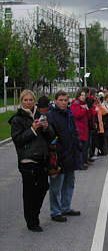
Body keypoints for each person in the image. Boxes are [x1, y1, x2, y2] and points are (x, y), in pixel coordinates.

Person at [9, 90, 55, 232]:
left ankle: (34, 214)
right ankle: (32, 221)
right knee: (29, 192)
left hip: (42, 157)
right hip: (27, 160)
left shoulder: (40, 115)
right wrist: (32, 129)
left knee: (43, 187)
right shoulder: (17, 119)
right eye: (25, 100)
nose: (28, 102)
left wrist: (46, 128)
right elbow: (18, 140)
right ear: (21, 101)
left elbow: (51, 136)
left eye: (30, 100)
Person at [46, 90, 82, 223]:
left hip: (71, 154)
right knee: (56, 186)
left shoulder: (68, 114)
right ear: (55, 101)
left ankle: (65, 206)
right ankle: (55, 211)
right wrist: (60, 150)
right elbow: (51, 136)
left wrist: (77, 147)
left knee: (69, 182)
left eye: (65, 100)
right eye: (60, 100)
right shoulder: (51, 115)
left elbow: (73, 131)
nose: (63, 102)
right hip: (59, 155)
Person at [70, 89, 90, 170]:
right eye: (81, 95)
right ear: (78, 96)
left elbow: (88, 116)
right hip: (79, 129)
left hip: (84, 128)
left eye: (84, 95)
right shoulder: (75, 104)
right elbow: (77, 115)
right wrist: (84, 109)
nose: (83, 97)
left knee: (84, 147)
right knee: (80, 147)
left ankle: (83, 162)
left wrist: (86, 109)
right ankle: (80, 163)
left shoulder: (83, 104)